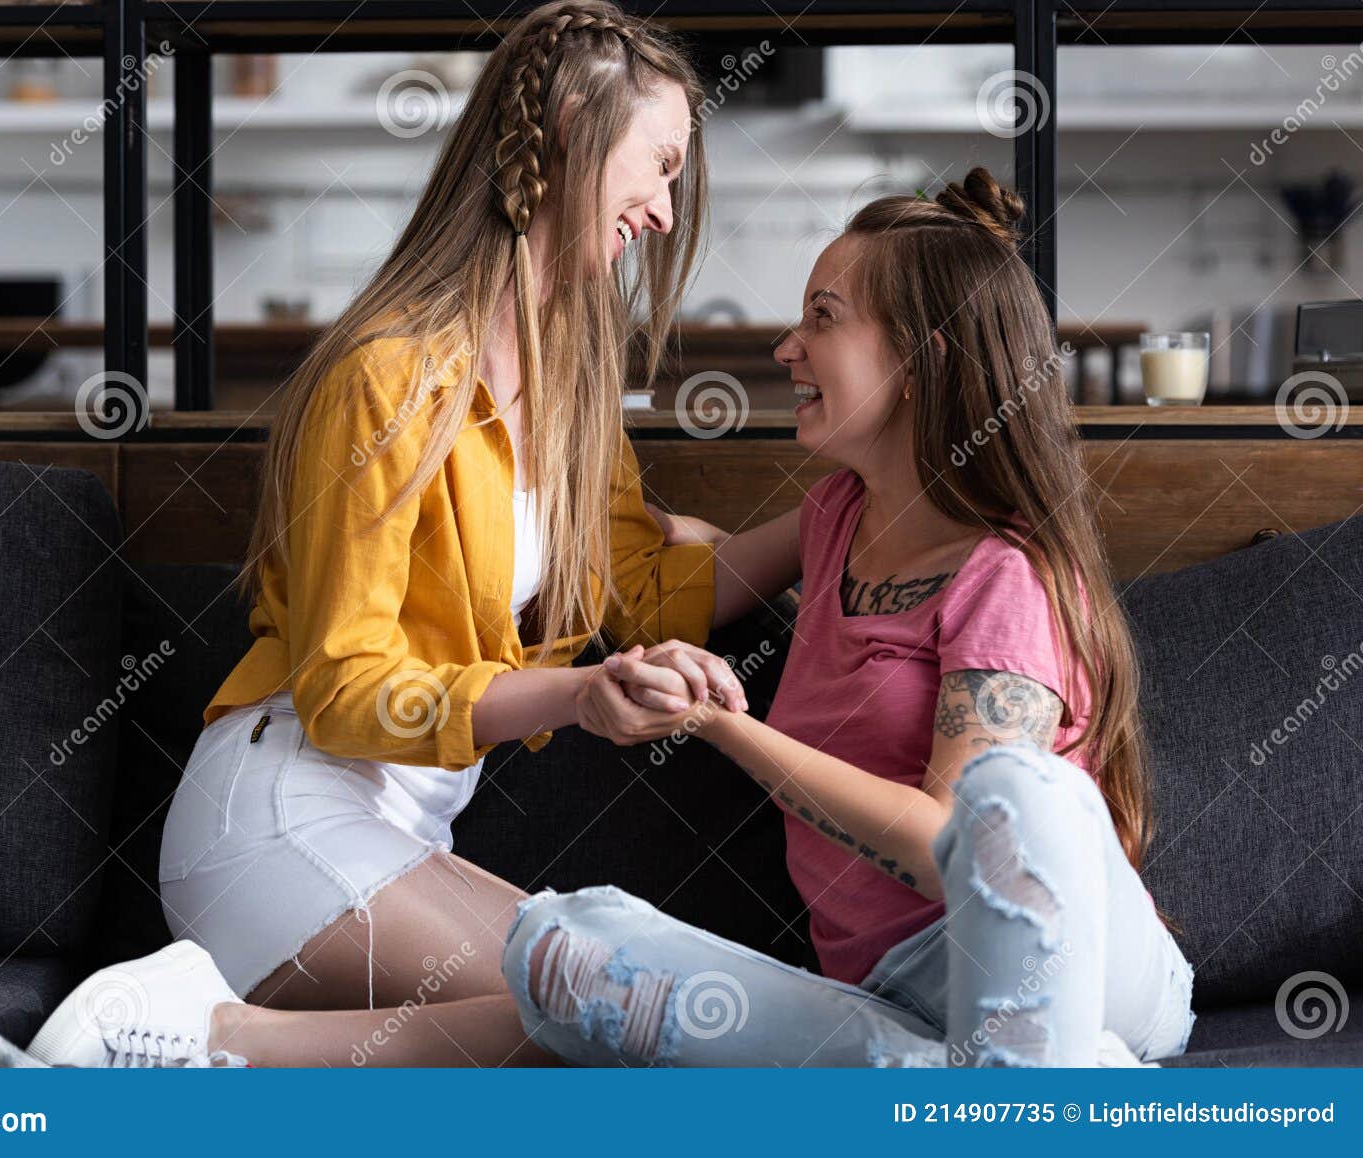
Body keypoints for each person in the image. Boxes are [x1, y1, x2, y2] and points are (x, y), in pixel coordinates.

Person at [27, 0, 796, 1069]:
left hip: (392, 836)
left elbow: (644, 593)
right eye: (657, 164)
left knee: (615, 1028)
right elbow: (344, 690)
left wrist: (832, 520)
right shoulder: (386, 379)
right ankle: (165, 1036)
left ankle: (194, 1048)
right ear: (571, 124)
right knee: (616, 1012)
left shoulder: (571, 388)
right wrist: (576, 695)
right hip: (282, 816)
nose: (665, 211)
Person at [504, 167, 1198, 1068]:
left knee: (1017, 798)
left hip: (1077, 958)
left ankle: (1022, 1070)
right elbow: (688, 560)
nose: (789, 347)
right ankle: (1012, 1088)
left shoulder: (1007, 579)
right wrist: (536, 494)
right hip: (893, 993)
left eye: (823, 319)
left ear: (925, 361)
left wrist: (718, 725)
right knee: (563, 952)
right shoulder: (839, 516)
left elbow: (947, 847)